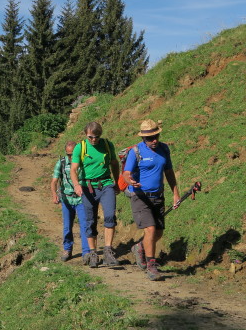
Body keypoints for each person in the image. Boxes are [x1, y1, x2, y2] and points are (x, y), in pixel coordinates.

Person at [122, 119, 181, 281]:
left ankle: (139, 247)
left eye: (156, 136)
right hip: (140, 197)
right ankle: (152, 265)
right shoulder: (136, 152)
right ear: (143, 138)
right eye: (149, 138)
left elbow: (169, 172)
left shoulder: (164, 149)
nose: (153, 140)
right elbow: (126, 173)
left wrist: (175, 193)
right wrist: (130, 181)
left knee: (159, 232)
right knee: (151, 230)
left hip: (158, 196)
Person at [70, 122, 121, 268]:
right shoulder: (80, 147)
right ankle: (93, 252)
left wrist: (117, 182)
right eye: (91, 137)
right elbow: (73, 169)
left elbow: (114, 163)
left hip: (106, 184)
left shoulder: (106, 144)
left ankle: (108, 251)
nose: (94, 140)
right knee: (90, 220)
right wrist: (77, 185)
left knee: (110, 215)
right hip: (88, 187)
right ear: (86, 135)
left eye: (97, 137)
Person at [51, 141, 91, 262]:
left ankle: (86, 252)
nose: (71, 157)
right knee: (67, 226)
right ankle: (67, 249)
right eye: (69, 154)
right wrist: (54, 194)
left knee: (84, 226)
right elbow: (54, 180)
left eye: (73, 154)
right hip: (67, 199)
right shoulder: (62, 163)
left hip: (81, 199)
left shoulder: (83, 162)